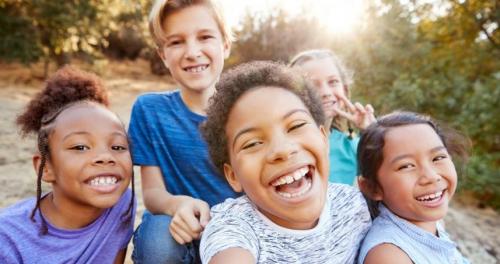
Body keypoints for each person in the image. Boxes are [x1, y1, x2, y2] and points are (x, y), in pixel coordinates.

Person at [199, 61, 371, 263]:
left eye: (296, 125)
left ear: (324, 139)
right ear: (232, 175)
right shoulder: (233, 228)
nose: (282, 150)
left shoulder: (354, 204)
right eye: (252, 143)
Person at [128, 0, 238, 263]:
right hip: (178, 230)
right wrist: (178, 205)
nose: (192, 52)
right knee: (157, 242)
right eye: (176, 42)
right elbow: (153, 194)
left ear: (225, 44)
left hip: (237, 231)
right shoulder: (149, 110)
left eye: (204, 37)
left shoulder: (247, 112)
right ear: (163, 55)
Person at [0, 66, 136, 263]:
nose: (106, 157)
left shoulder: (122, 204)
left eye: (117, 147)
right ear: (45, 167)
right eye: (80, 147)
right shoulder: (8, 239)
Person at [357, 111, 470, 263]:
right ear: (372, 188)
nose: (431, 176)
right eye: (406, 166)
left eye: (438, 157)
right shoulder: (388, 256)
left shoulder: (433, 224)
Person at [290, 49, 375, 185]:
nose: (325, 92)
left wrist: (371, 131)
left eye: (333, 81)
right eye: (312, 85)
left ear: (345, 89)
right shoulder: (285, 146)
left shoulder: (354, 146)